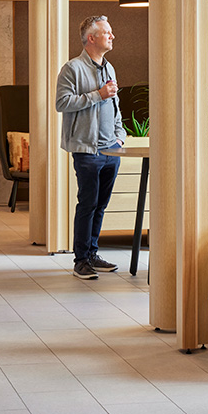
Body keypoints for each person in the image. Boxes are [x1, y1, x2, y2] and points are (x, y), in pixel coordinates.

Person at [55, 15, 126, 280]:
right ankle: (81, 260)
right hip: (87, 150)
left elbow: (115, 106)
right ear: (91, 38)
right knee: (87, 204)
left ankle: (93, 253)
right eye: (107, 32)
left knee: (101, 205)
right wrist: (98, 95)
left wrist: (120, 136)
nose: (112, 36)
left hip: (111, 150)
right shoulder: (72, 69)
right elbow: (61, 103)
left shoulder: (110, 68)